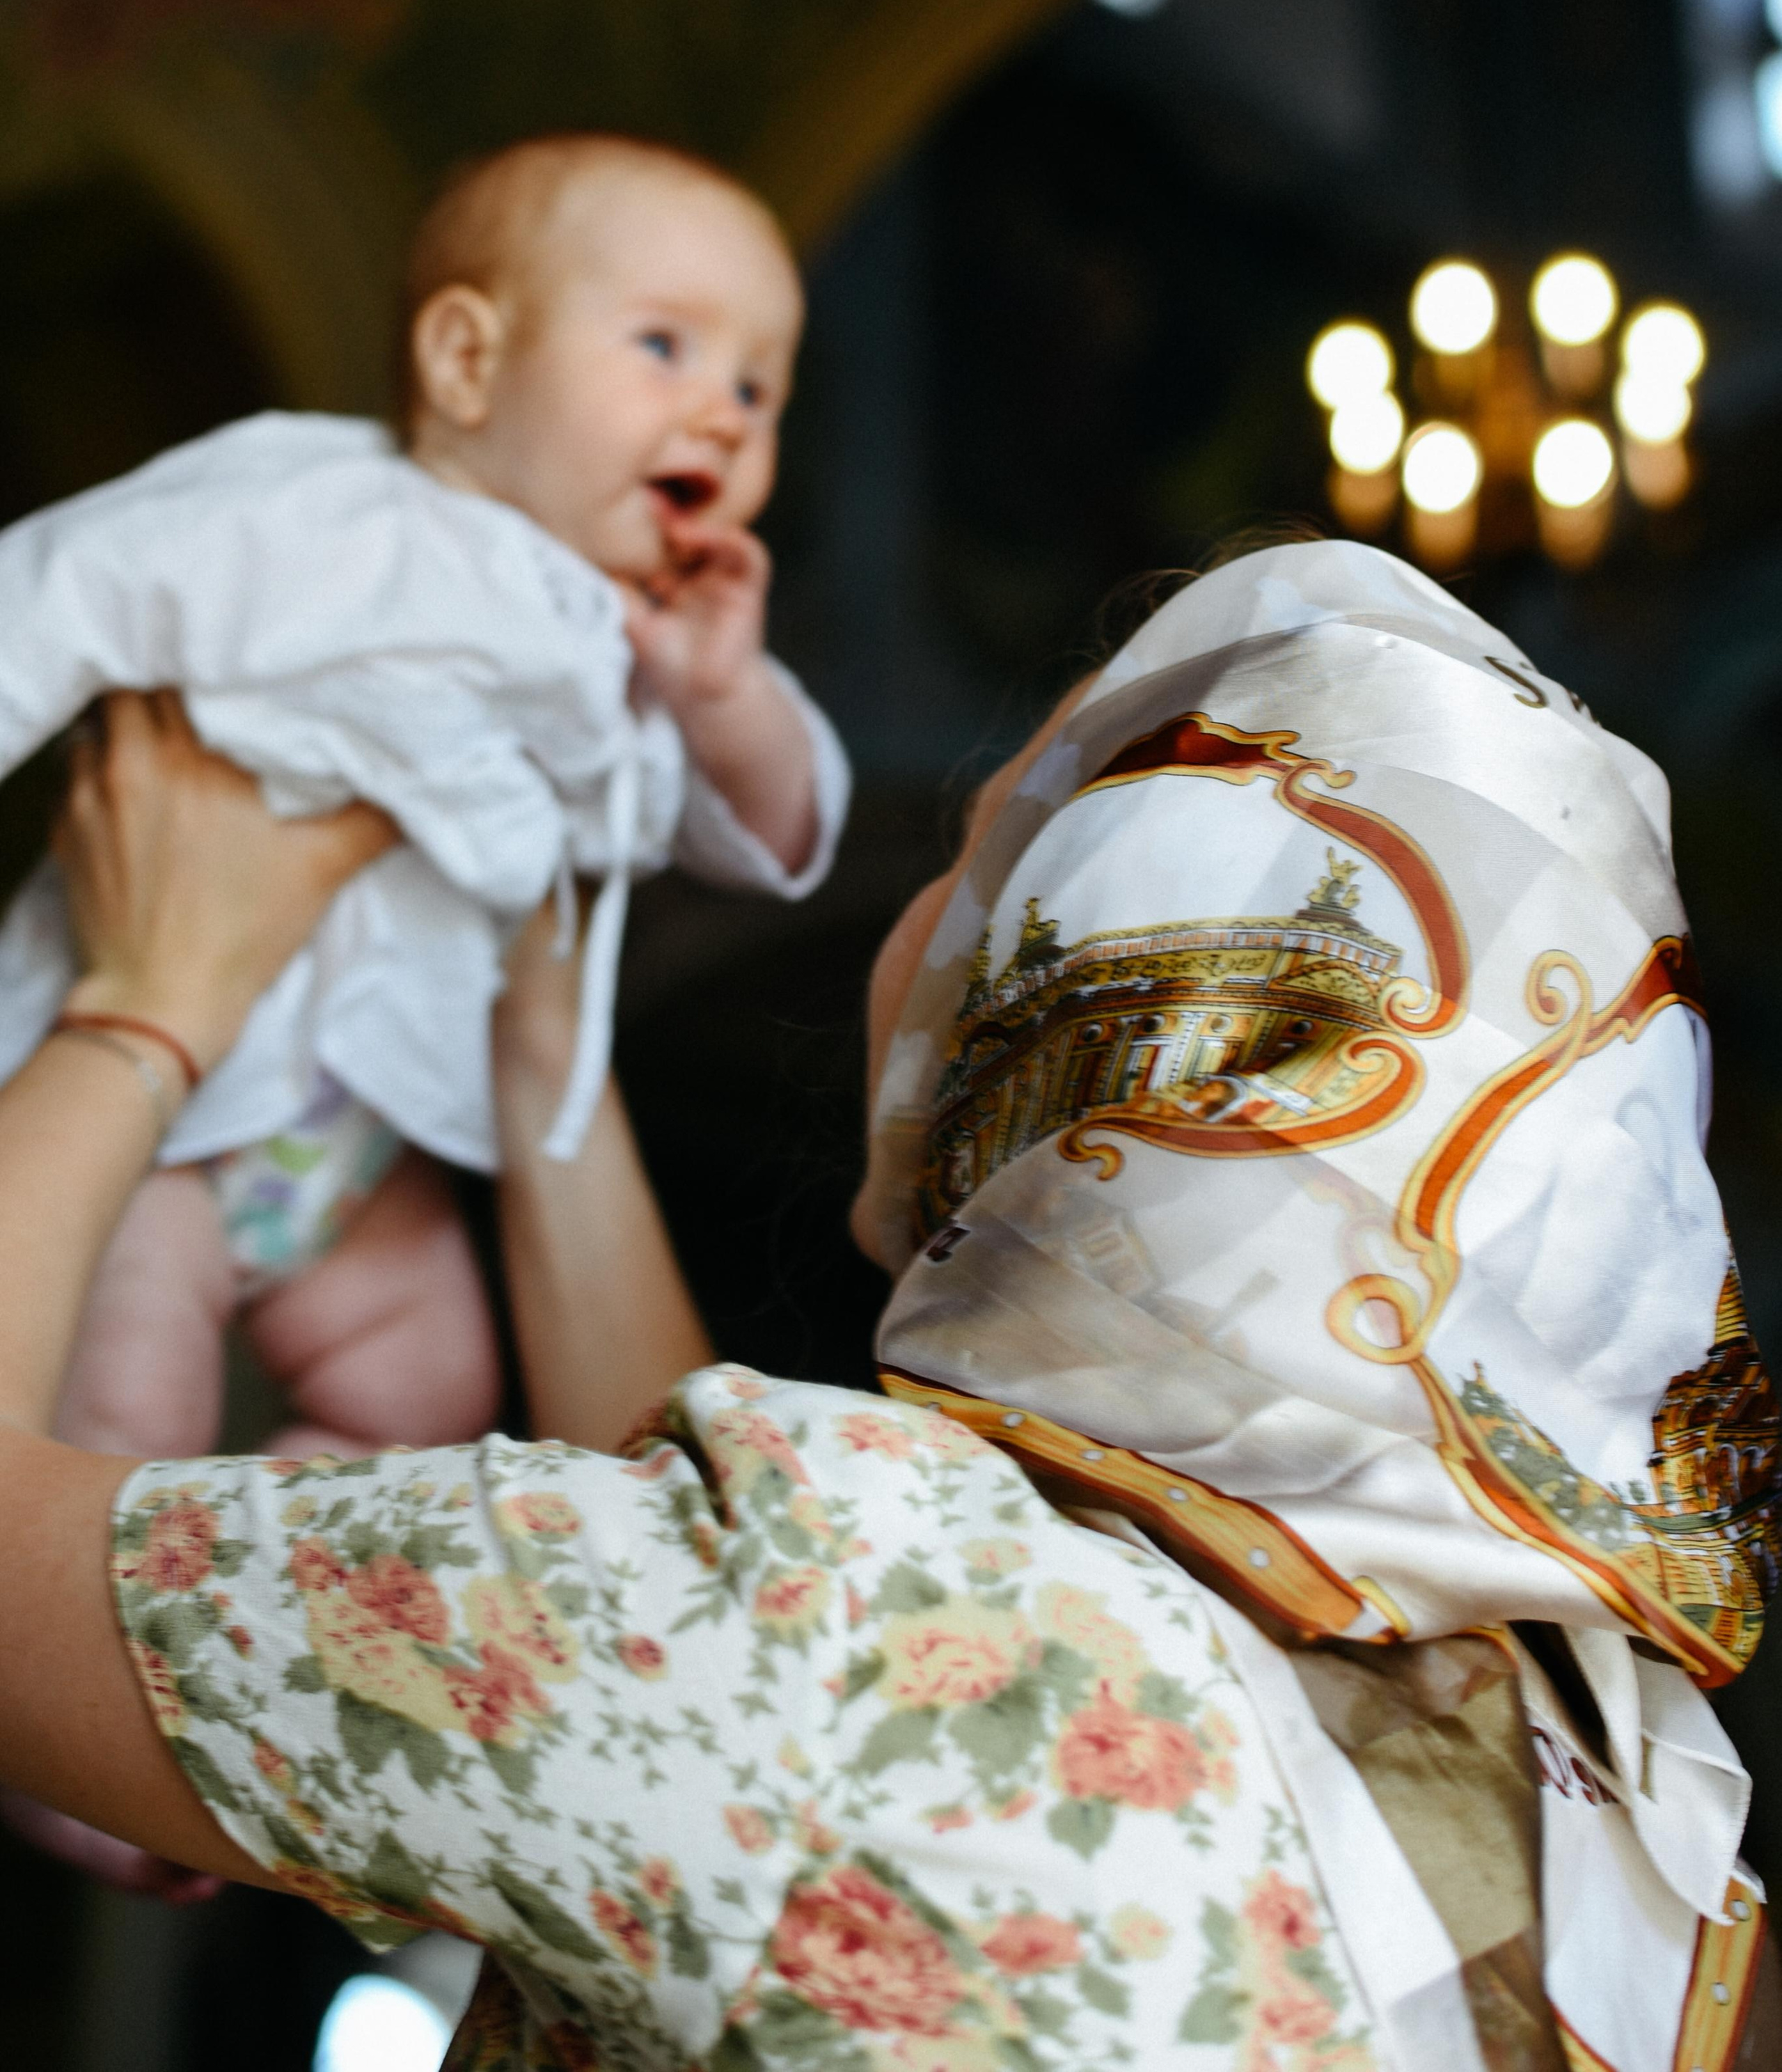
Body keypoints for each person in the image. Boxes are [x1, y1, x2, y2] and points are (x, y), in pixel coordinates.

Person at [0, 544, 1776, 2071]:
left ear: (1075, 979)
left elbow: (751, 1669)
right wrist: (540, 1043)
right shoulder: (1659, 1848)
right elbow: (737, 1708)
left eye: (991, 837)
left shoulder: (830, 1624)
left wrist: (142, 1005)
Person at [0, 132, 849, 1473]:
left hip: (374, 1126)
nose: (726, 412)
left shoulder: (642, 635)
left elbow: (777, 839)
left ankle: (265, 1558)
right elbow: (67, 587)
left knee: (432, 1398)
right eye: (665, 348)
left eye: (761, 383)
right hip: (167, 1102)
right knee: (125, 1420)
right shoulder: (319, 502)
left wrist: (724, 696)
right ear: (466, 363)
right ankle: (109, 1600)